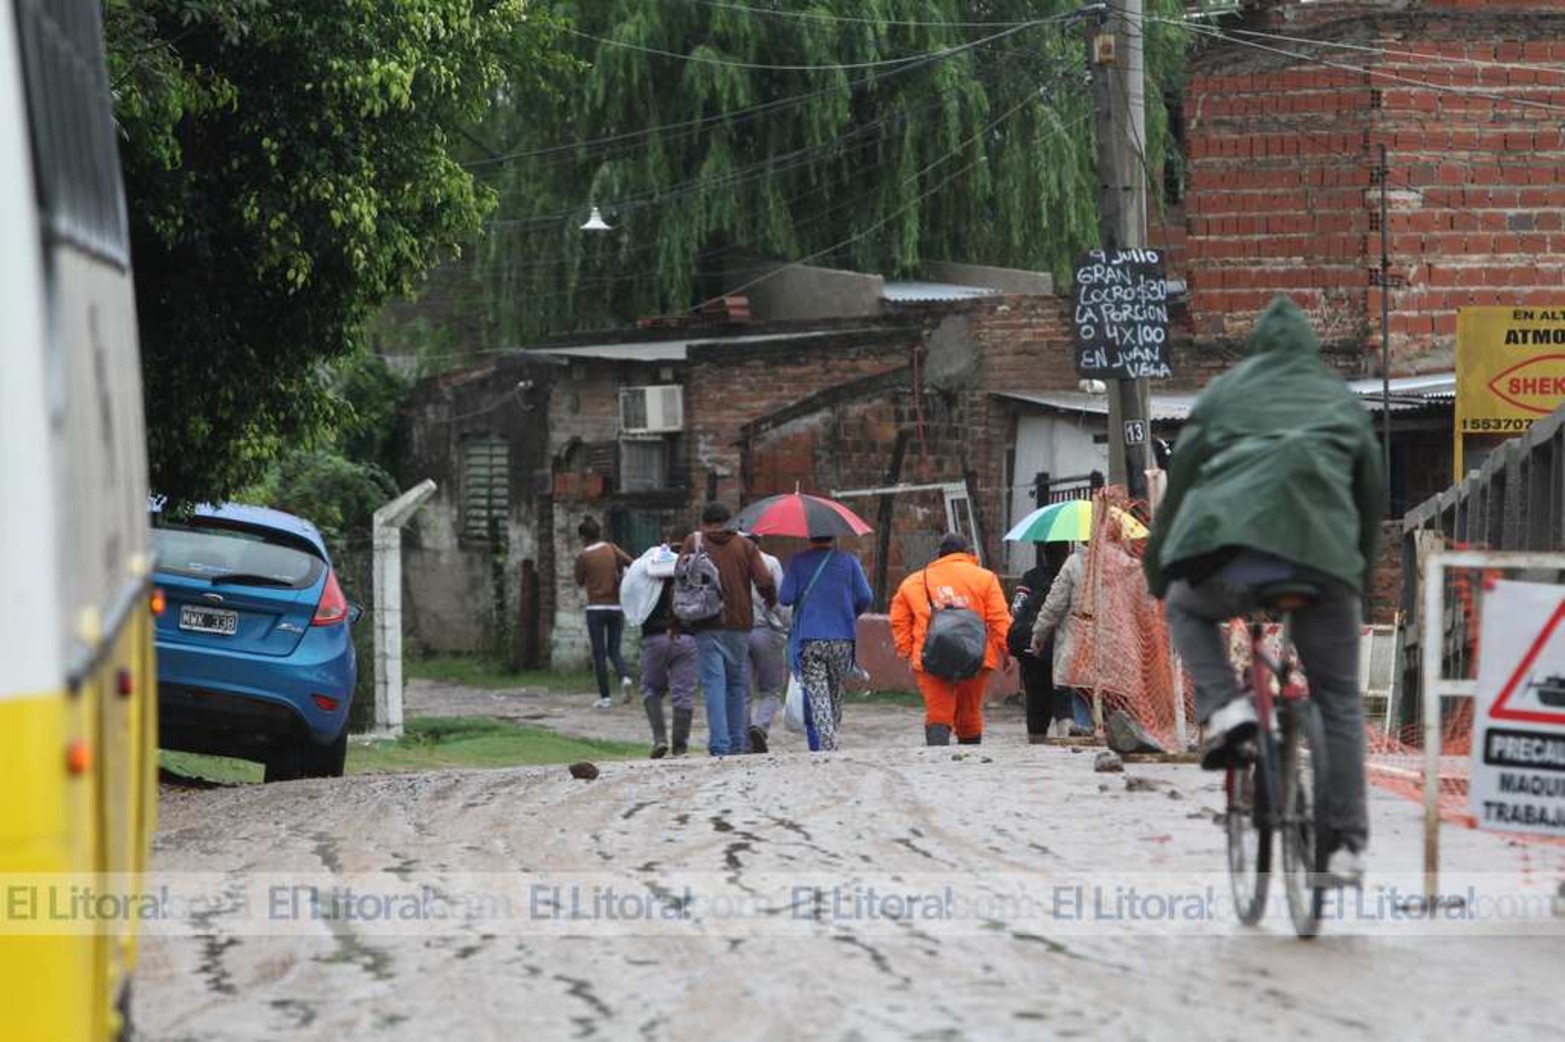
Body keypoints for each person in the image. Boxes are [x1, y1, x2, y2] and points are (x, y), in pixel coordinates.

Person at [1144, 295, 1383, 887]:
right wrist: (1360, 572)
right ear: (1309, 348)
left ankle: (1227, 708)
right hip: (1324, 566)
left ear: (1255, 348)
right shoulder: (1339, 399)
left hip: (1230, 558)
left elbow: (1181, 488)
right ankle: (1348, 848)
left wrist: (1161, 567)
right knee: (1341, 699)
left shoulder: (1225, 393)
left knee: (1185, 606)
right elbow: (1370, 491)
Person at [889, 533, 1012, 746]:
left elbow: (899, 618)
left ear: (940, 555)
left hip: (932, 656)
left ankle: (938, 762)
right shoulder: (985, 579)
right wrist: (1008, 652)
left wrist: (906, 650)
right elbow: (999, 619)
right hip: (976, 656)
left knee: (938, 712)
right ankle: (969, 763)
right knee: (969, 714)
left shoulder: (915, 581)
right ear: (966, 553)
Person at [678, 503, 777, 757]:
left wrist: (677, 618)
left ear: (704, 522)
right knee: (736, 685)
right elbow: (765, 580)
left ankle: (719, 745)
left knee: (713, 684)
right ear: (729, 521)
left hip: (706, 621)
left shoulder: (694, 541)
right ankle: (736, 744)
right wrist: (770, 599)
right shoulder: (746, 546)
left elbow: (679, 577)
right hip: (740, 623)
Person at [778, 535, 874, 752]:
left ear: (809, 538)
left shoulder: (798, 562)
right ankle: (830, 738)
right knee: (835, 694)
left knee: (817, 695)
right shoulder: (849, 561)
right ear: (833, 536)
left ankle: (827, 745)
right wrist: (849, 613)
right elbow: (866, 596)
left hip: (810, 640)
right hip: (843, 639)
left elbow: (784, 597)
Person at [633, 538, 696, 758]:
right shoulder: (691, 571)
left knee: (651, 689)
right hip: (686, 638)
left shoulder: (649, 572)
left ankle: (659, 739)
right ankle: (680, 747)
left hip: (654, 637)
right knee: (684, 694)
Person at [1028, 543, 1094, 738]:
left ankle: (1077, 736)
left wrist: (1039, 633)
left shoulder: (1074, 563)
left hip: (1077, 641)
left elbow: (1055, 604)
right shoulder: (1121, 564)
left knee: (1075, 689)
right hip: (1114, 651)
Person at [1010, 542, 1070, 744]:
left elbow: (1017, 609)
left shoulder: (1031, 577)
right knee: (1066, 702)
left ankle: (1036, 740)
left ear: (1043, 553)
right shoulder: (1076, 574)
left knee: (1036, 707)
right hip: (1066, 651)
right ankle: (1069, 739)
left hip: (1035, 652)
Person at [573, 516, 633, 709]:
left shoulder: (583, 556)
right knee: (613, 649)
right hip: (616, 607)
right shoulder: (611, 548)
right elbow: (631, 563)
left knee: (599, 653)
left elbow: (579, 580)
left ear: (583, 537)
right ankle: (624, 677)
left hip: (596, 609)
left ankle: (605, 697)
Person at [744, 533, 789, 754]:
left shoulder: (733, 563)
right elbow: (781, 600)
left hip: (739, 632)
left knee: (742, 690)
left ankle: (741, 736)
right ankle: (760, 728)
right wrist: (788, 625)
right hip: (767, 632)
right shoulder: (770, 563)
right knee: (771, 689)